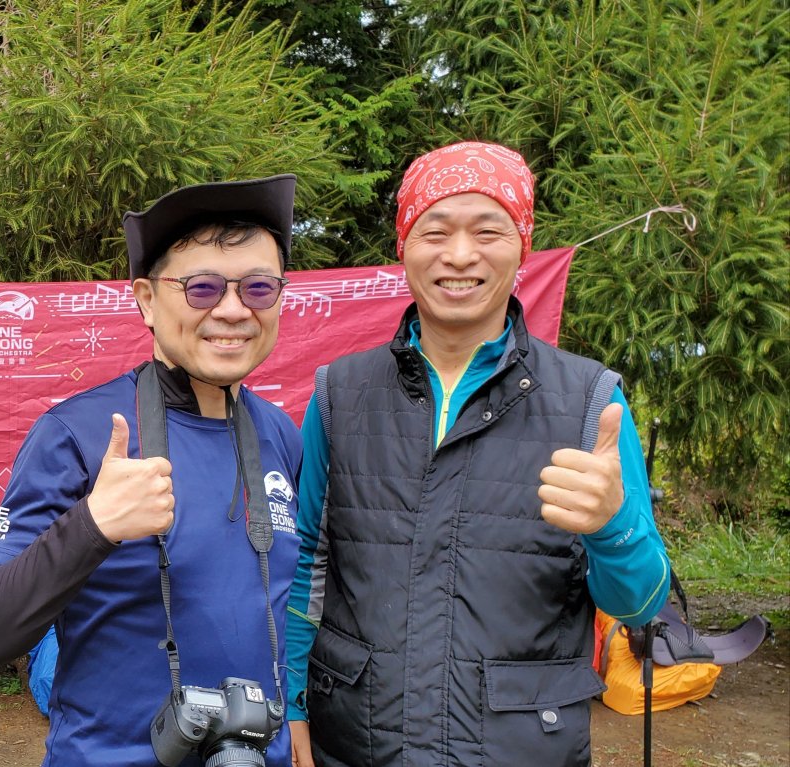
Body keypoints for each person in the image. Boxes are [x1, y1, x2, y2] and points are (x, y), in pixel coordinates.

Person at [285, 142, 671, 767]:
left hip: (522, 747)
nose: (460, 255)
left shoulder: (590, 401)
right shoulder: (341, 393)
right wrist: (294, 702)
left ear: (522, 248)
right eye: (435, 231)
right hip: (355, 741)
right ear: (404, 247)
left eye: (488, 231)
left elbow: (642, 605)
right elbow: (310, 561)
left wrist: (613, 527)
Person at [0, 175, 304, 767]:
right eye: (201, 288)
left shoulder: (281, 434)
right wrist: (93, 525)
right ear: (146, 299)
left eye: (258, 288)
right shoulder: (78, 434)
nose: (232, 310)